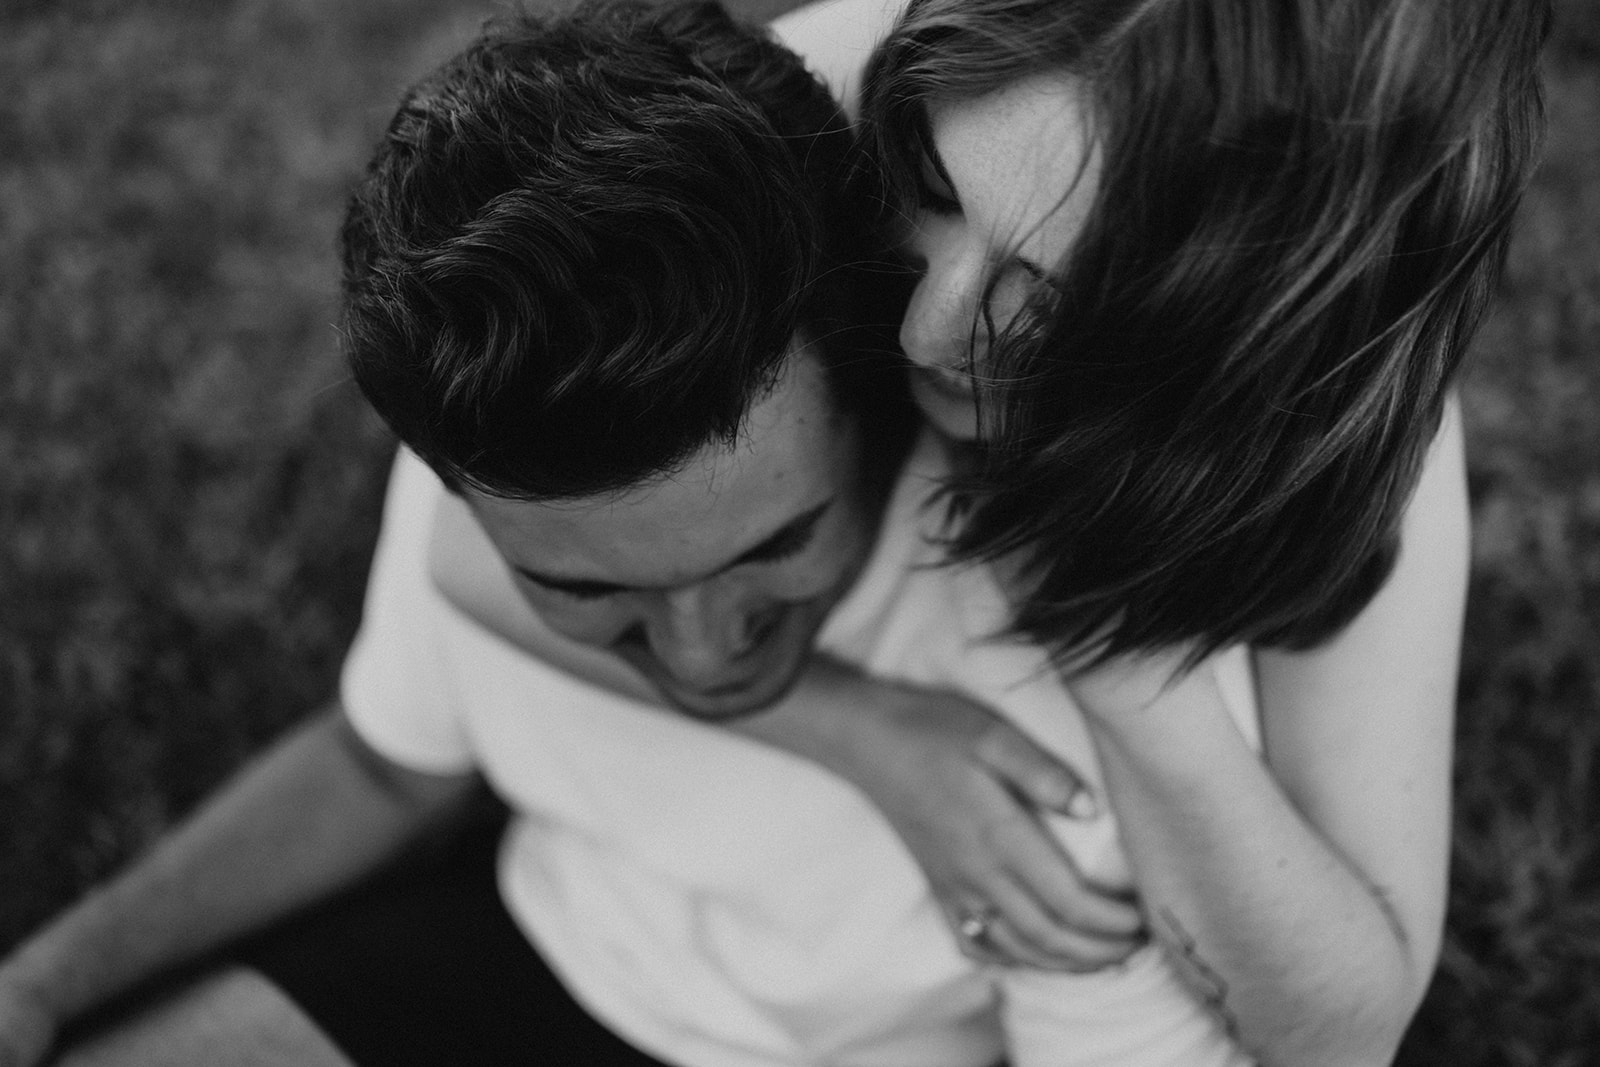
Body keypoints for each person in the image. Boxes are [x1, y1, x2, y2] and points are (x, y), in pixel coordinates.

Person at [0, 3, 1224, 1065]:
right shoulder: (519, 431)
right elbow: (384, 763)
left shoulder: (1055, 613)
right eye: (590, 596)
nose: (703, 662)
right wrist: (39, 987)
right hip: (504, 965)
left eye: (769, 549)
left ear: (879, 401)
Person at [439, 0, 1551, 1063]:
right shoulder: (823, 90)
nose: (926, 331)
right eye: (928, 187)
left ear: (1239, 334)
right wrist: (872, 735)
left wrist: (1124, 679)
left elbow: (1340, 1029)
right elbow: (459, 545)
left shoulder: (1334, 428)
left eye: (1048, 298)